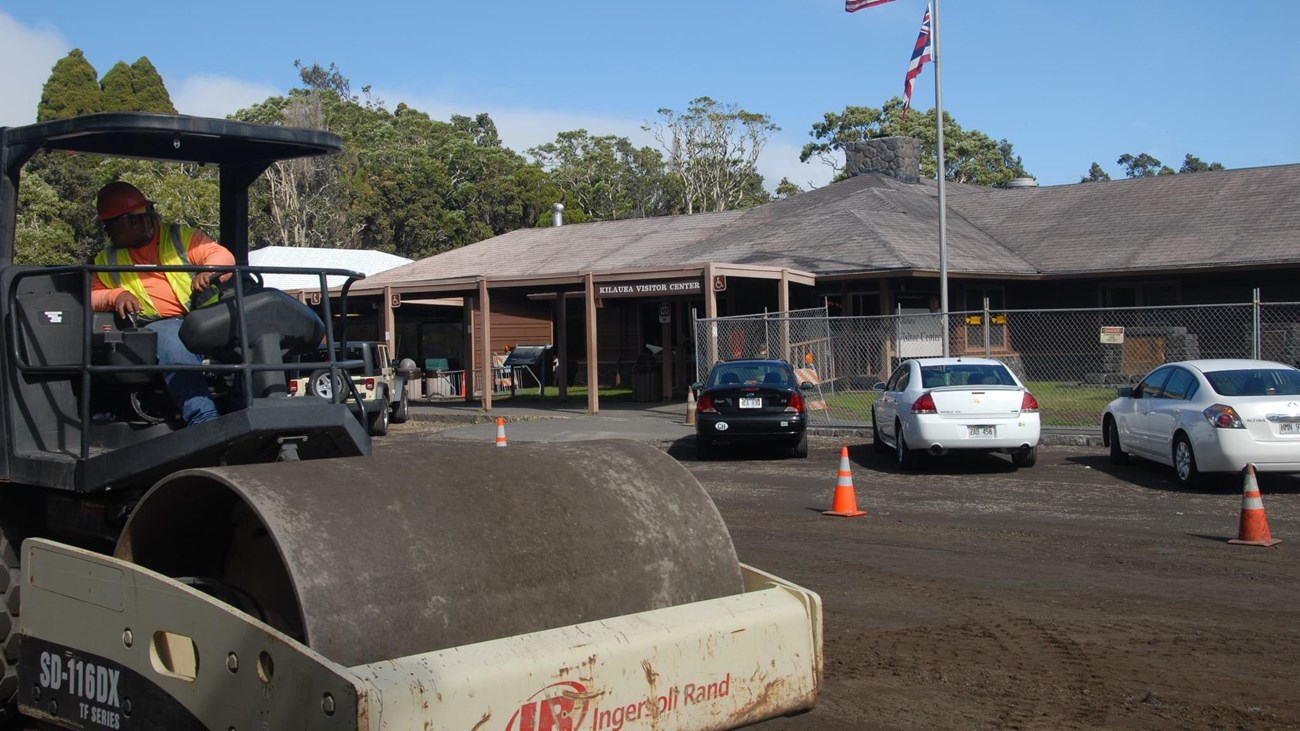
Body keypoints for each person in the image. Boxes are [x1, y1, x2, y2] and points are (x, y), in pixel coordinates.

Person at [90, 181, 232, 425]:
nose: (107, 231)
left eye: (109, 224)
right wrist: (116, 296)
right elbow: (92, 295)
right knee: (173, 341)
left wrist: (208, 271)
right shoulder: (107, 258)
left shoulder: (181, 238)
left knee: (252, 328)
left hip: (208, 317)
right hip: (160, 324)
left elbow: (222, 256)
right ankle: (204, 419)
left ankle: (252, 407)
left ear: (133, 220)